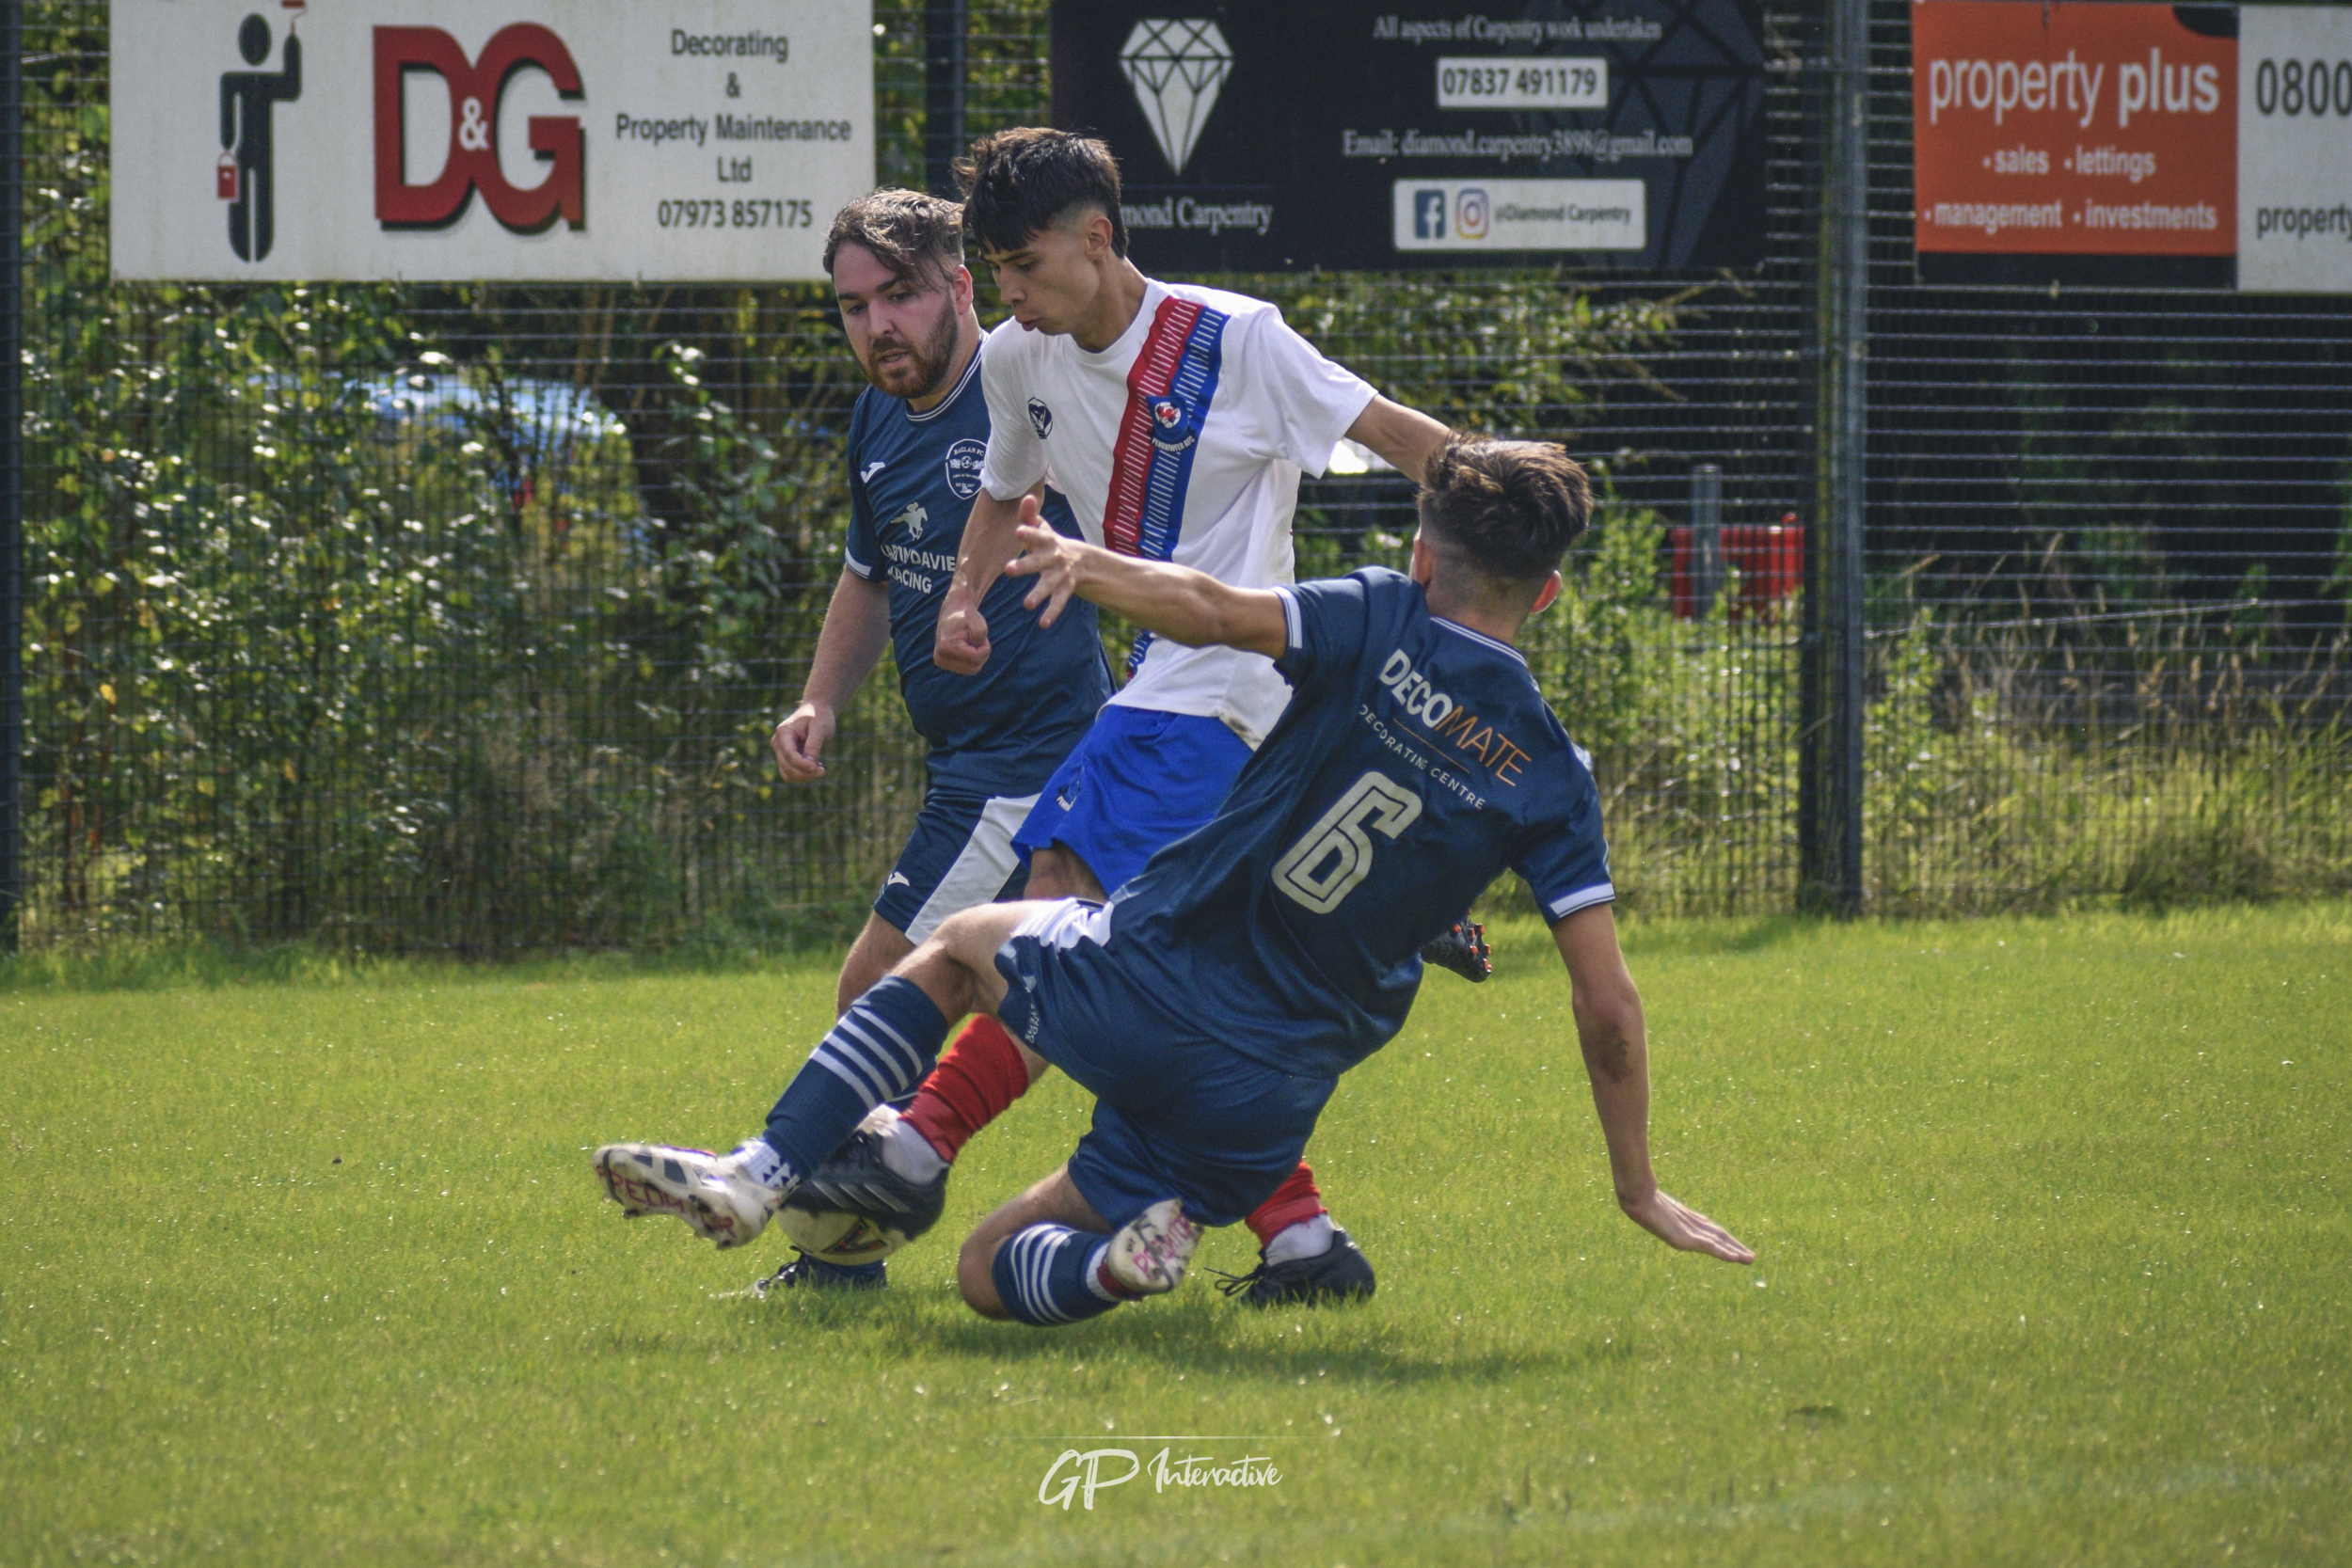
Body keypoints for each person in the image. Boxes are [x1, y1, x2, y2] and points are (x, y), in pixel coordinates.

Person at [593, 436, 1755, 1327]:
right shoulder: (1554, 776)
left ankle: (760, 1171)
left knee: (959, 947)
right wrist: (1638, 1186)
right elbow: (1607, 1008)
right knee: (990, 1266)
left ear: (1419, 552)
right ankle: (1111, 1263)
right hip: (1264, 1103)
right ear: (1546, 593)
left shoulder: (1380, 618)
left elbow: (1208, 609)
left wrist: (1082, 564)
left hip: (1156, 971)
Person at [794, 128, 1479, 1306]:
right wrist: (962, 600)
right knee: (1159, 979)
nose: (1004, 292)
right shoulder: (1022, 359)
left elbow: (1402, 439)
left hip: (1205, 699)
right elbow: (1005, 495)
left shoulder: (1234, 339)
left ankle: (889, 1160)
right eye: (993, 269)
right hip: (1177, 699)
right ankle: (1305, 1243)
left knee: (1041, 922)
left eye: (1017, 265)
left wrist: (1498, 531)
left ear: (1096, 241)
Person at [755, 188, 1112, 1290]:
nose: (878, 328)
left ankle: (842, 1249)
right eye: (855, 307)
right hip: (963, 765)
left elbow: (1134, 541)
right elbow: (869, 575)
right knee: (1071, 1001)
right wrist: (820, 698)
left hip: (1033, 759)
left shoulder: (1032, 387)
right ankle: (1273, 1213)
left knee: (878, 986)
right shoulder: (878, 414)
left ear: (961, 285)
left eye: (899, 297)